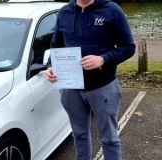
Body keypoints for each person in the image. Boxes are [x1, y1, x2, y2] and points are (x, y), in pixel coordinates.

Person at [45, 0, 135, 159]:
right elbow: (56, 45)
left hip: (103, 87)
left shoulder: (111, 10)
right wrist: (51, 66)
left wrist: (103, 59)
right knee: (79, 135)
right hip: (71, 88)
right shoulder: (64, 12)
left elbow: (128, 47)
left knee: (110, 139)